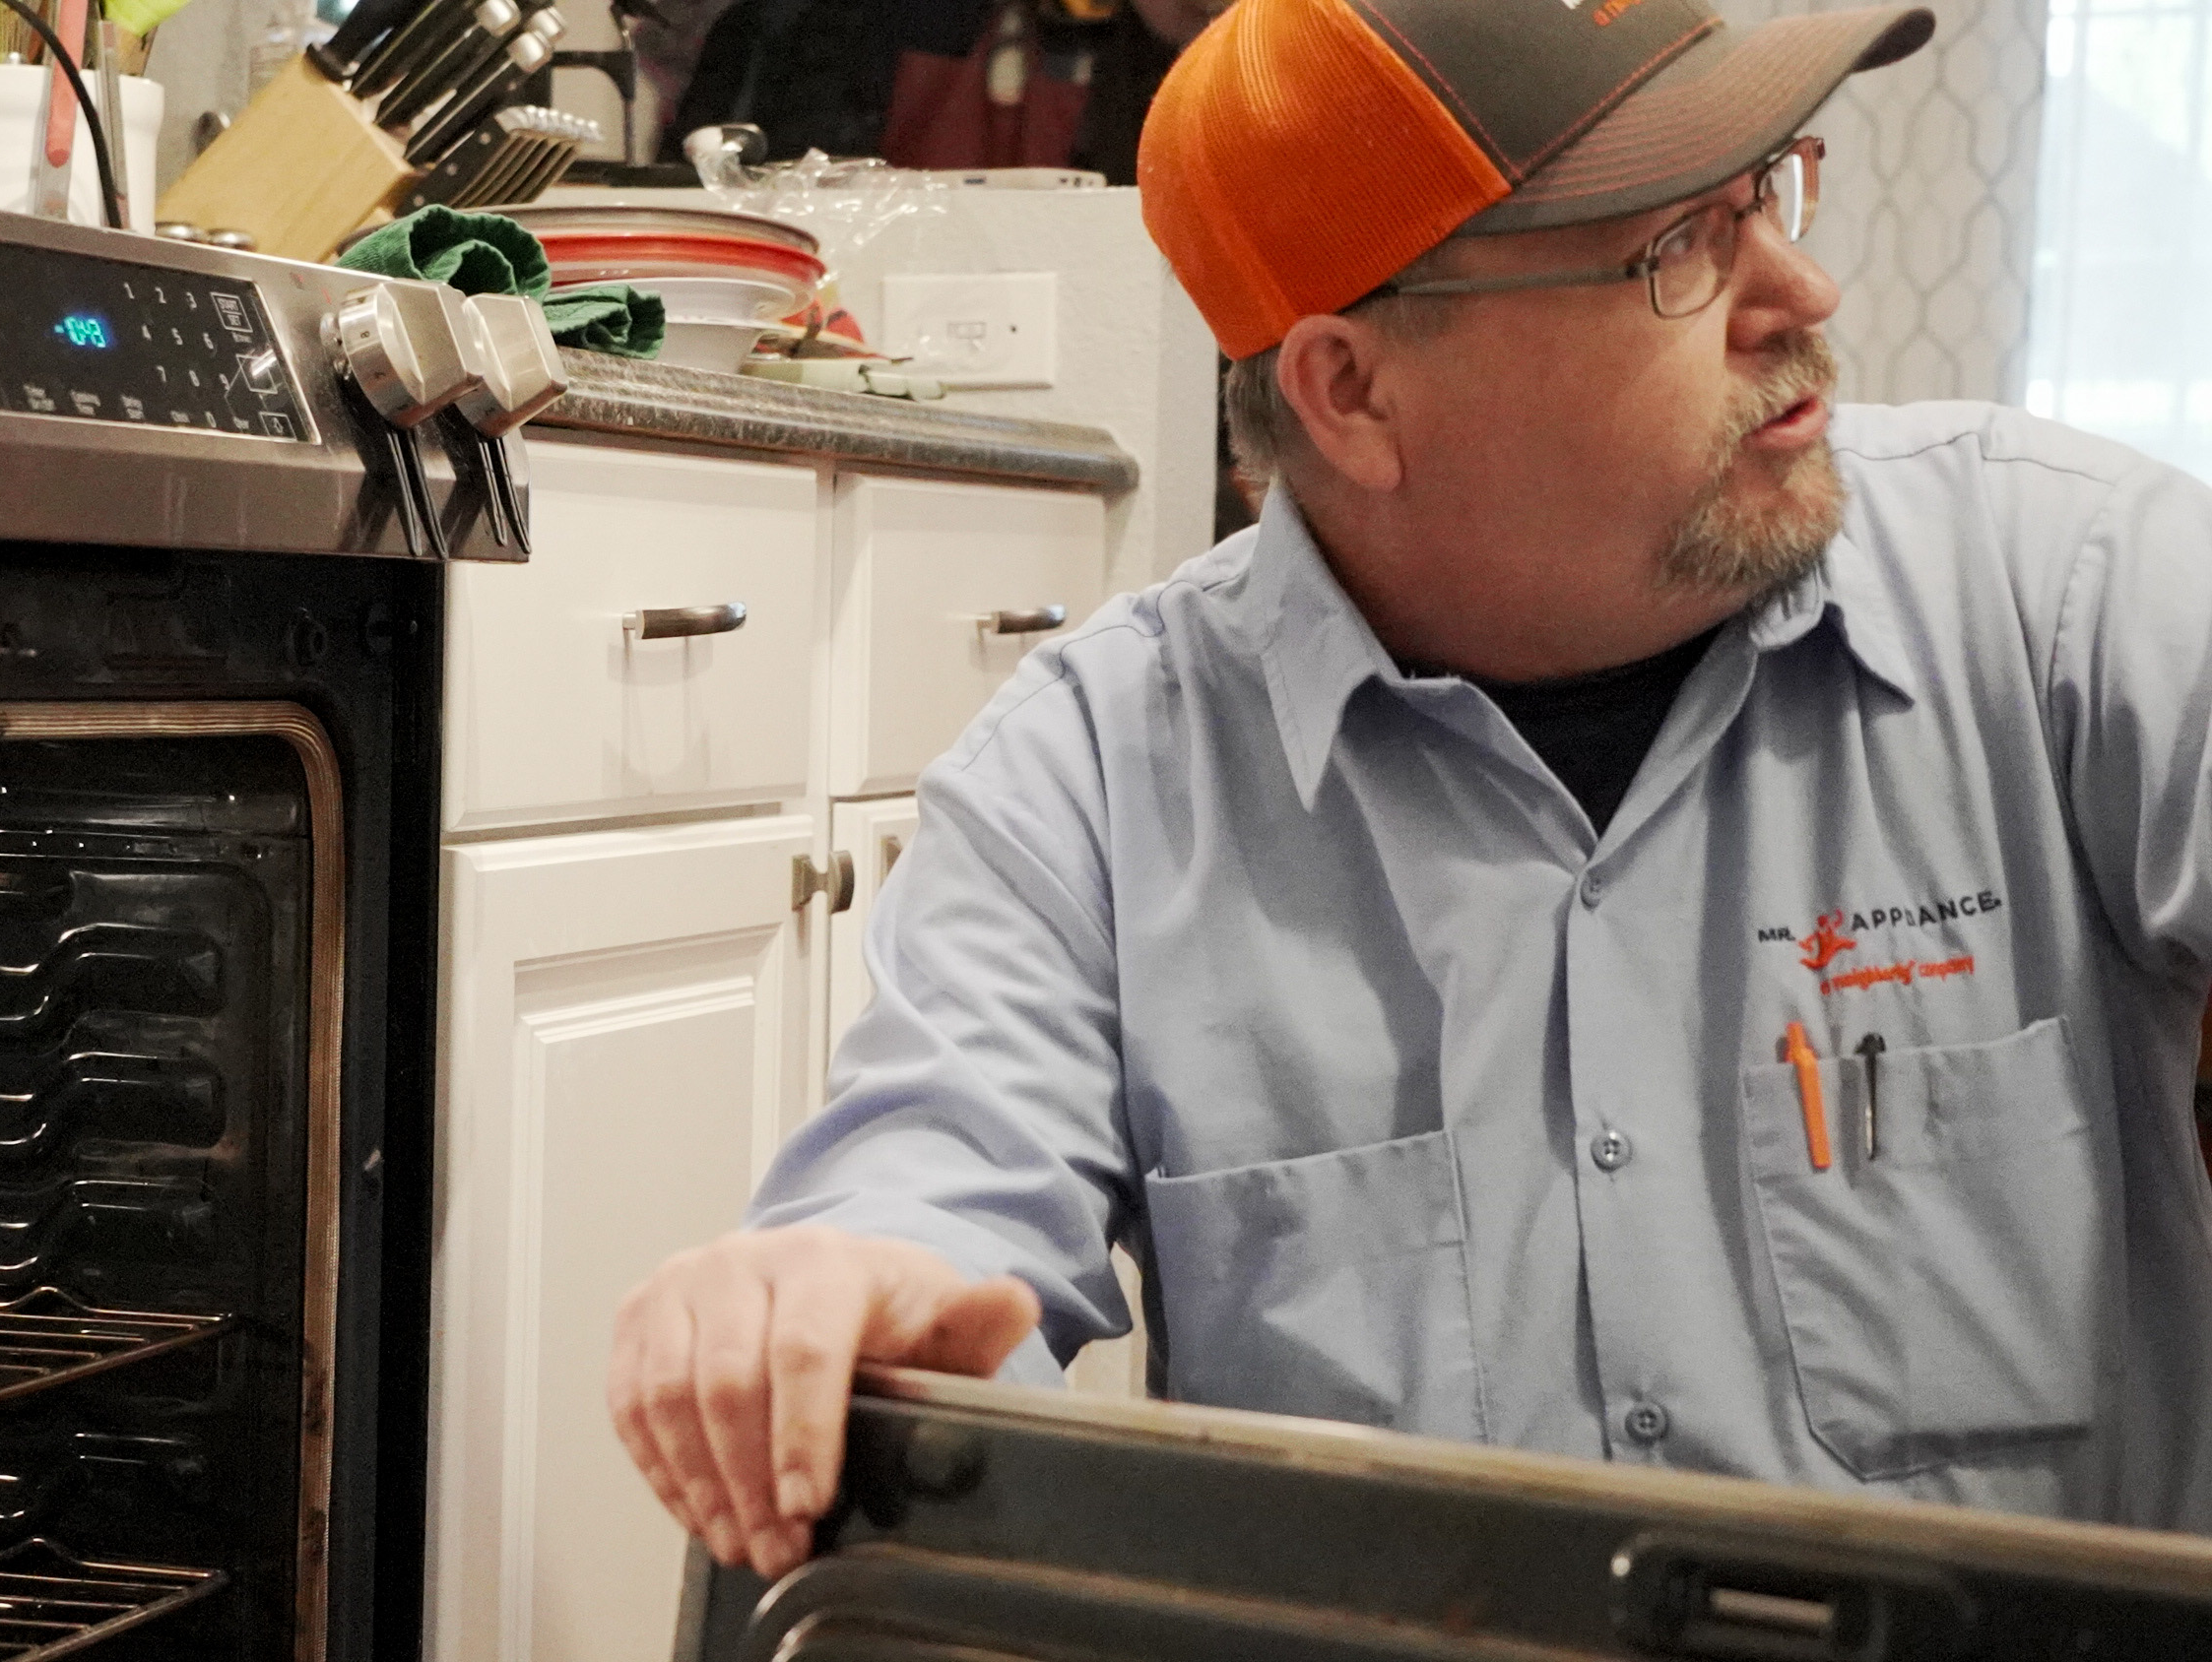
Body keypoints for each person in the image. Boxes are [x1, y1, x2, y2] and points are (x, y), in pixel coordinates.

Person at [608, 0, 2212, 1586]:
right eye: (1677, 251)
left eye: (1768, 193)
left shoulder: (2056, 588)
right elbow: (932, 1196)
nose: (1801, 291)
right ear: (1353, 393)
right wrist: (828, 1311)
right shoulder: (1095, 781)